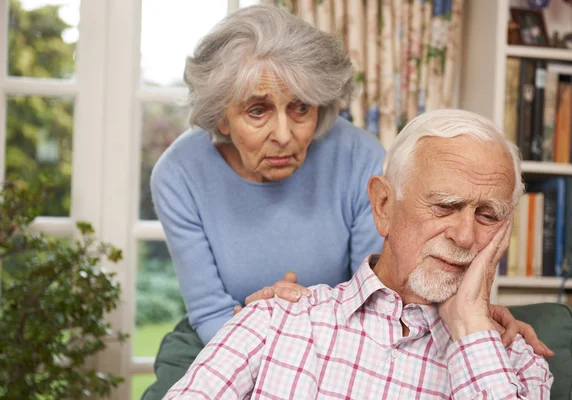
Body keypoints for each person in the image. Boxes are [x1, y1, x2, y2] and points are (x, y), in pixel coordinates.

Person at [145, 5, 550, 399]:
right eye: (257, 110)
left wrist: (475, 322)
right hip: (229, 325)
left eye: (301, 108)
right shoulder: (178, 174)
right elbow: (208, 309)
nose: (283, 134)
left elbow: (389, 284)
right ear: (220, 116)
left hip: (342, 322)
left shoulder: (357, 156)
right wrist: (266, 328)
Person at [162, 109, 553, 400]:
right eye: (445, 206)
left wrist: (472, 330)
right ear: (383, 205)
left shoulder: (518, 364)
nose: (466, 236)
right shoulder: (274, 321)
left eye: (488, 216)